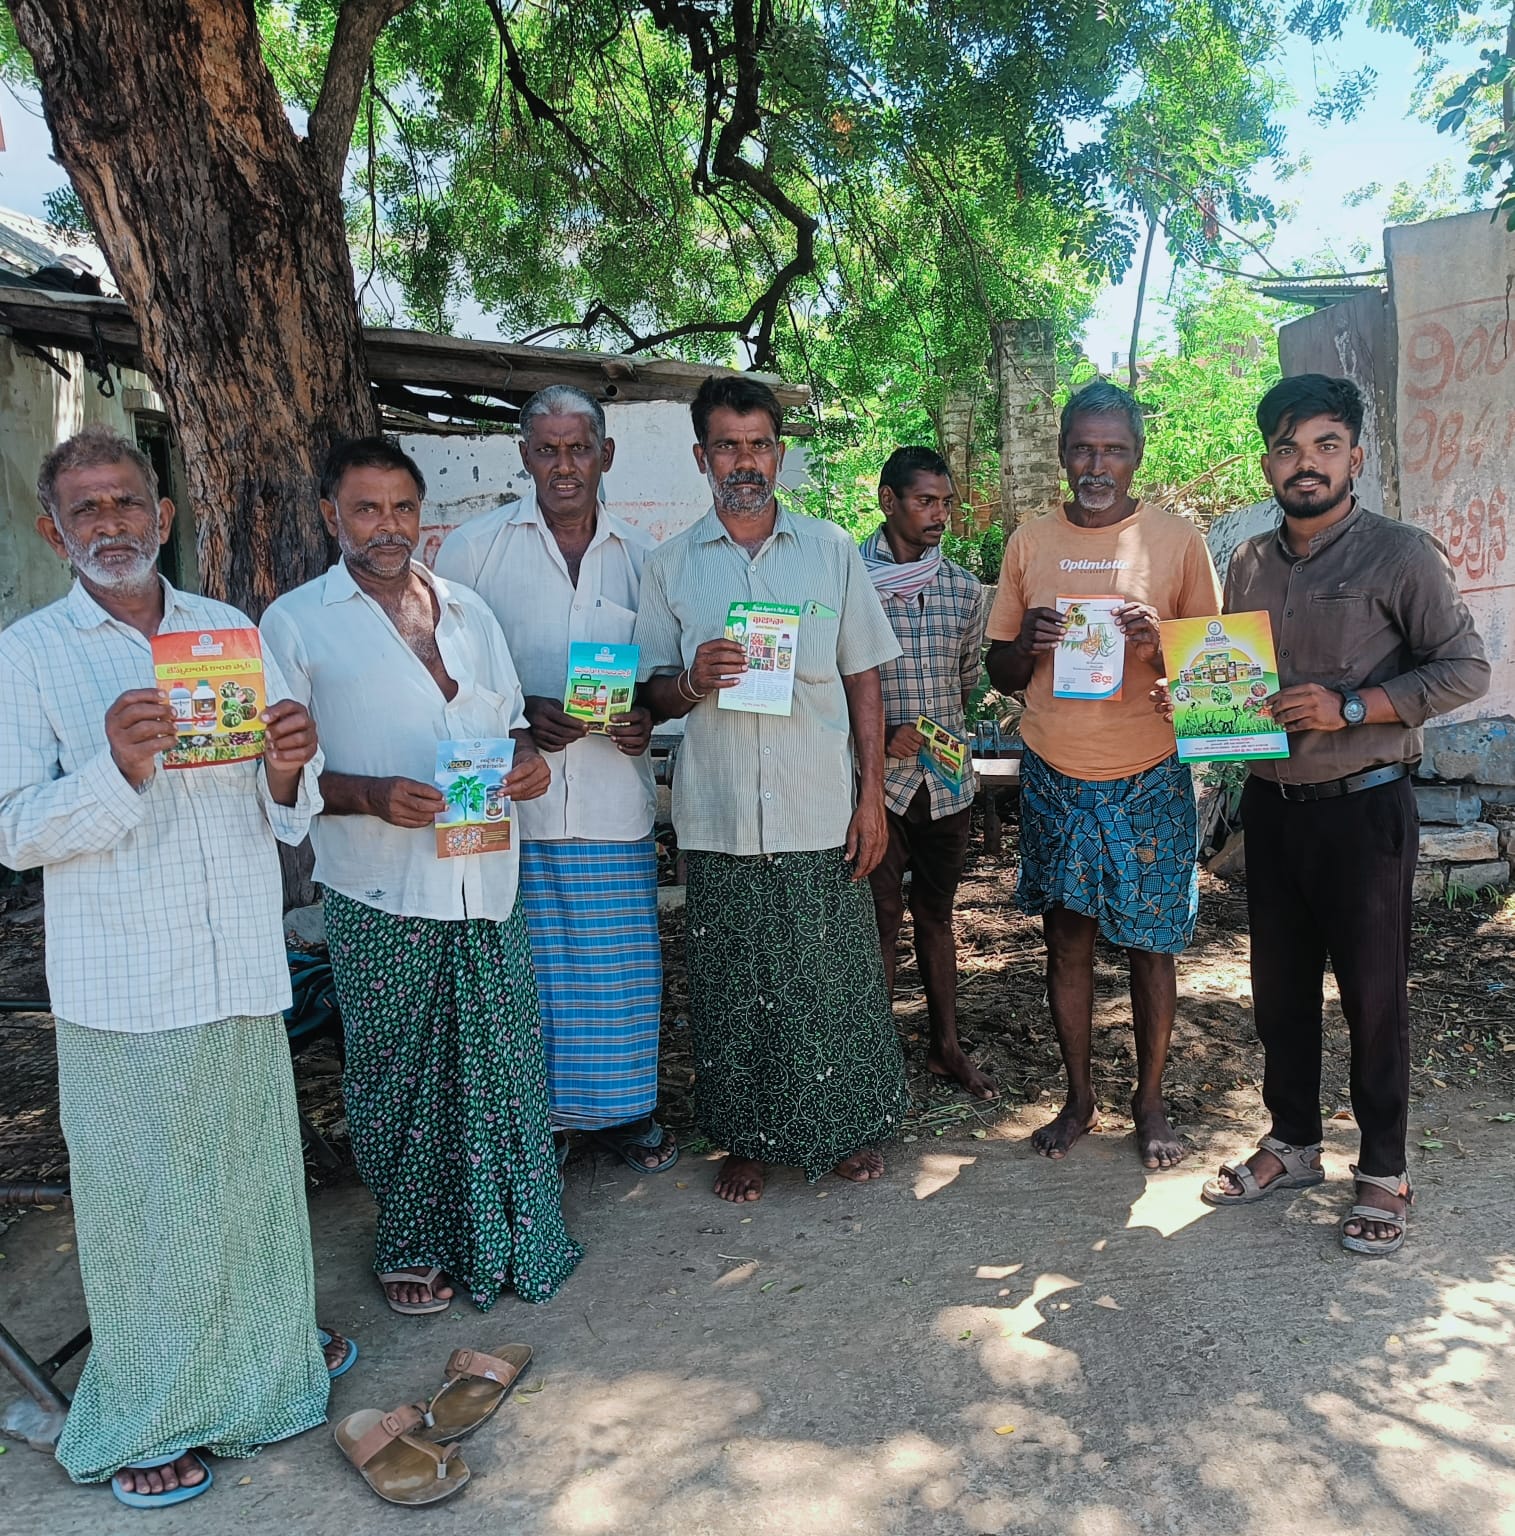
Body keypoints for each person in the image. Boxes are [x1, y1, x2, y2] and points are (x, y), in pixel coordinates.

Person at [0, 426, 347, 1508]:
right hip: (125, 982)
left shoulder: (226, 630)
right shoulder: (30, 653)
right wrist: (115, 765)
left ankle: (264, 1374)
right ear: (56, 533)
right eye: (88, 510)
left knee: (247, 1185)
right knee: (146, 1205)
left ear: (163, 515)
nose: (112, 524)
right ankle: (148, 1411)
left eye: (127, 503)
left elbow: (286, 794)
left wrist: (291, 766)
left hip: (235, 959)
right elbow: (15, 830)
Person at [260, 436, 581, 1315]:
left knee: (504, 1062)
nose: (386, 526)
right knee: (398, 1073)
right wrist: (364, 793)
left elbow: (511, 726)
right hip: (380, 889)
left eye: (401, 508)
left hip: (486, 877)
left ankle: (515, 1232)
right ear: (332, 516)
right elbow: (276, 772)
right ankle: (413, 1241)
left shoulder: (468, 610)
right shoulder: (295, 622)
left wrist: (527, 766)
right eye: (366, 509)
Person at [1195, 375, 1488, 1254]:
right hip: (1273, 809)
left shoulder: (1401, 554)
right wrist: (1200, 695)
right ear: (1267, 463)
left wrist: (1351, 708)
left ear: (1354, 457)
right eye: (1287, 449)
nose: (1304, 464)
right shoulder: (1246, 561)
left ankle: (1384, 1172)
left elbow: (1464, 670)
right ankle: (1291, 1143)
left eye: (1324, 445)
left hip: (1364, 811)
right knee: (1277, 993)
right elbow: (1236, 684)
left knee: (1371, 999)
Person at [632, 374, 910, 1203]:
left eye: (758, 445)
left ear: (779, 454)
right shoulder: (669, 565)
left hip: (818, 803)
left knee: (830, 981)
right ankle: (745, 1139)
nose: (744, 461)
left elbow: (864, 677)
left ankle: (848, 1126)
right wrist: (690, 682)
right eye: (726, 446)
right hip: (716, 809)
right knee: (732, 989)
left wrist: (870, 798)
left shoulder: (830, 550)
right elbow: (648, 693)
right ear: (700, 456)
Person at [433, 385, 675, 1174]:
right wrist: (518, 715)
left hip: (612, 800)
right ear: (524, 455)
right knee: (526, 977)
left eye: (579, 449)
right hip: (513, 805)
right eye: (547, 449)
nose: (563, 466)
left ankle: (626, 1116)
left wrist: (644, 718)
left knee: (617, 977)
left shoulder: (647, 557)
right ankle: (538, 1123)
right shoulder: (472, 551)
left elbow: (662, 679)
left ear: (605, 455)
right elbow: (447, 671)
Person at [985, 379, 1222, 1169]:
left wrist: (1162, 644)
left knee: (1152, 947)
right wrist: (1031, 648)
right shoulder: (1028, 542)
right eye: (1082, 447)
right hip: (1055, 768)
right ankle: (1079, 1099)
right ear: (1061, 453)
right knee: (1067, 943)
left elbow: (1219, 684)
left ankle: (1149, 1102)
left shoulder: (1179, 543)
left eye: (1113, 449)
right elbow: (1000, 670)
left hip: (1149, 771)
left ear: (1136, 456)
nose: (1097, 463)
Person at [860, 447, 992, 1098]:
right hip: (876, 786)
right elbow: (830, 683)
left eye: (945, 502)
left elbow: (964, 680)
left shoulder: (963, 589)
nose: (938, 514)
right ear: (888, 501)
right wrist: (881, 736)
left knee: (936, 915)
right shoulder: (848, 581)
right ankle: (879, 1064)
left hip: (946, 785)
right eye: (924, 501)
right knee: (880, 917)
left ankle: (946, 1048)